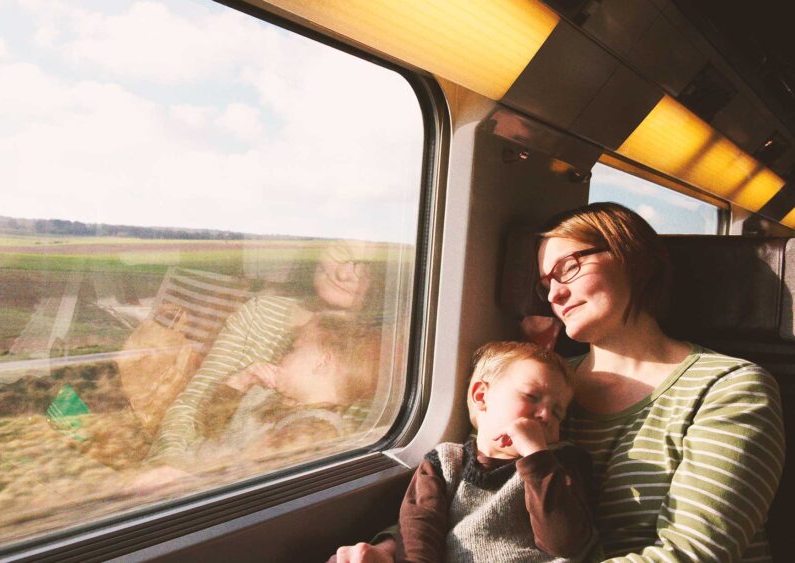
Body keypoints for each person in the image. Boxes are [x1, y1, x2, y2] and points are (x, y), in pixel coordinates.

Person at [329, 202, 784, 562]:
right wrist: (392, 549)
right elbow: (474, 493)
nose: (554, 294)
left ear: (633, 258)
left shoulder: (730, 388)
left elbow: (696, 554)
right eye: (547, 281)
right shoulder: (541, 383)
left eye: (569, 268)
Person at [145, 239, 384, 470]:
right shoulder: (261, 313)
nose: (345, 274)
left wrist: (187, 484)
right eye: (342, 251)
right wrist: (167, 467)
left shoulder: (378, 357)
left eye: (368, 266)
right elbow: (191, 407)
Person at [397, 341, 595, 562]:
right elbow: (419, 532)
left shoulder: (559, 463)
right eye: (532, 397)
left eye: (558, 413)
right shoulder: (445, 463)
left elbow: (564, 542)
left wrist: (536, 455)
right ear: (481, 396)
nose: (546, 416)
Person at [192, 313, 381, 462]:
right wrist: (239, 382)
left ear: (322, 364)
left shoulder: (314, 431)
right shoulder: (268, 395)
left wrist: (185, 478)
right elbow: (210, 430)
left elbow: (240, 475)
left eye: (293, 349)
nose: (282, 357)